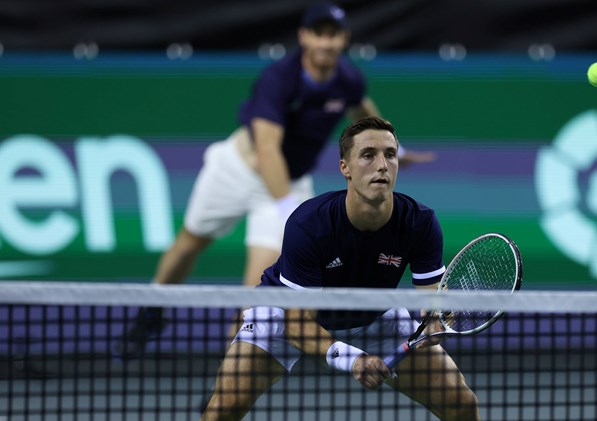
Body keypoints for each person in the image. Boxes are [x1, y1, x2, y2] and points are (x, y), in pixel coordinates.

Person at [116, 2, 435, 359]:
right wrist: (289, 210)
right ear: (304, 37)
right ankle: (151, 312)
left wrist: (398, 150)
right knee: (189, 243)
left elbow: (363, 110)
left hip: (289, 182)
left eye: (334, 35)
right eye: (319, 34)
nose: (326, 43)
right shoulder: (279, 79)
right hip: (238, 169)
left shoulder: (349, 79)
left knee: (256, 294)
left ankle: (223, 383)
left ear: (344, 39)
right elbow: (268, 150)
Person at [200, 116, 478, 421]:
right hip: (284, 317)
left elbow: (434, 297)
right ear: (345, 167)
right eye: (368, 155)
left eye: (390, 154)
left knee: (461, 404)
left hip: (375, 318)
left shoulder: (419, 223)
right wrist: (354, 360)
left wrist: (438, 317)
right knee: (222, 409)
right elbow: (297, 323)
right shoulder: (309, 225)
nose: (382, 165)